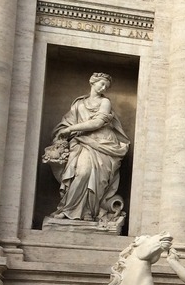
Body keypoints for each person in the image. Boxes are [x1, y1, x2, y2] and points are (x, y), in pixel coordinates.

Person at [44, 73, 130, 223]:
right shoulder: (79, 103)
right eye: (101, 84)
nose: (103, 88)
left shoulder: (105, 102)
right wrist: (63, 132)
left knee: (94, 176)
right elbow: (66, 123)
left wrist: (71, 130)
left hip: (102, 143)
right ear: (92, 82)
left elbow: (97, 123)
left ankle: (90, 211)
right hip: (82, 142)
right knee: (81, 173)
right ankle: (68, 209)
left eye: (106, 86)